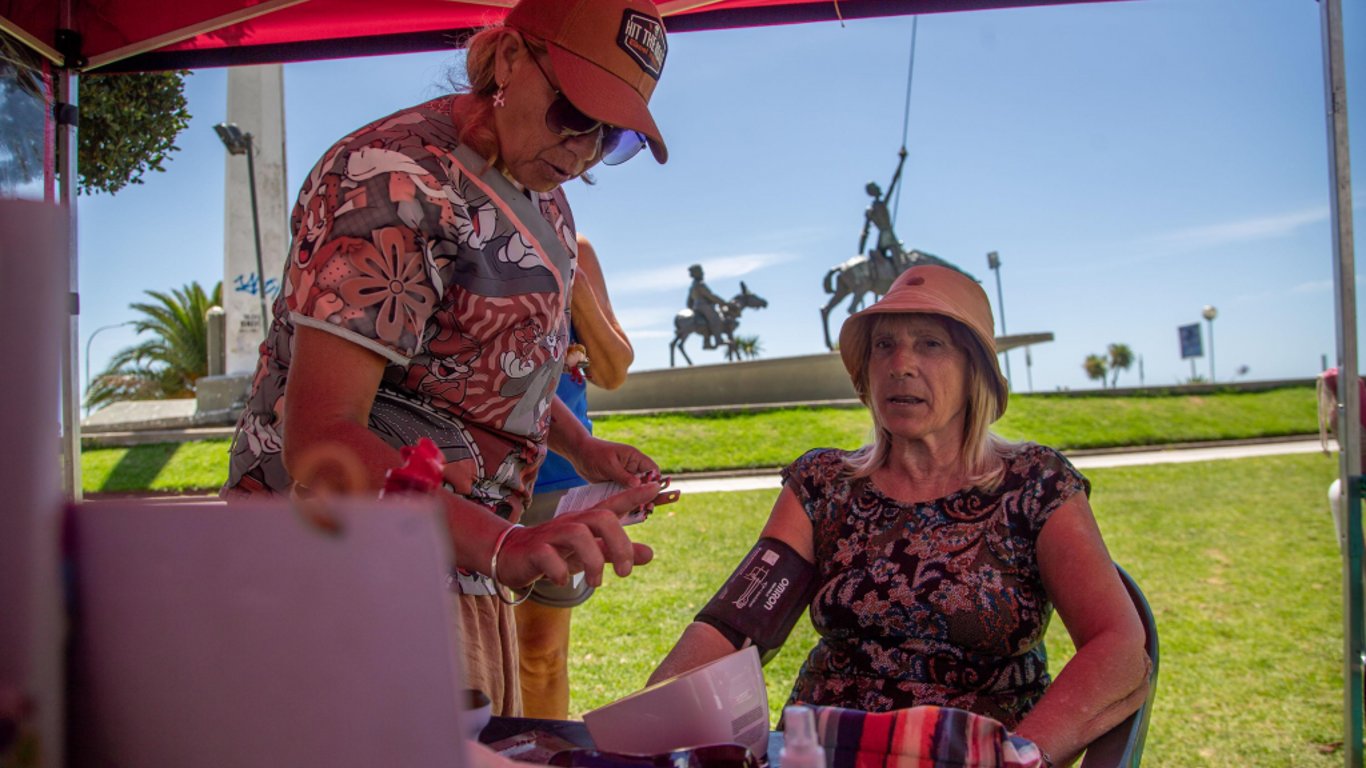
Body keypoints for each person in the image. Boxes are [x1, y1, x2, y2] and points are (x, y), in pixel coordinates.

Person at [221, 0, 674, 716]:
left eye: (611, 136)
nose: (584, 150)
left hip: (458, 557)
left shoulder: (544, 195)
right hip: (347, 566)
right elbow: (321, 436)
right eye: (574, 113)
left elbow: (489, 366)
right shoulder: (392, 178)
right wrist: (501, 545)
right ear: (508, 60)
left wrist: (580, 449)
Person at [649, 266, 1151, 766]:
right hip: (823, 752)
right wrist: (648, 724)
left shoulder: (1034, 483)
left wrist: (1018, 756)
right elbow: (736, 625)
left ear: (974, 370)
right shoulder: (823, 484)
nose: (900, 364)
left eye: (930, 344)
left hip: (972, 755)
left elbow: (1120, 648)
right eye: (884, 345)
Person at [516, 233, 642, 718]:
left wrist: (575, 281)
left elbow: (613, 371)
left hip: (555, 479)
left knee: (541, 655)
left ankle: (542, 750)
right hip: (462, 471)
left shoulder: (577, 248)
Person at [858, 148, 908, 279]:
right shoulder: (880, 205)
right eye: (876, 187)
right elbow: (894, 182)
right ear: (873, 191)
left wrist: (860, 252)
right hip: (888, 236)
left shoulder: (870, 209)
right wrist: (902, 161)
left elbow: (864, 233)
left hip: (880, 240)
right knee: (900, 265)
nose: (880, 188)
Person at [686, 264, 727, 350]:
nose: (703, 274)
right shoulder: (700, 284)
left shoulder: (692, 287)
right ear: (697, 273)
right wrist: (723, 302)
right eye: (701, 272)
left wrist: (691, 309)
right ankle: (718, 340)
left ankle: (707, 342)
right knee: (716, 318)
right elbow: (710, 296)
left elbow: (689, 302)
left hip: (696, 307)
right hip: (704, 306)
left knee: (706, 322)